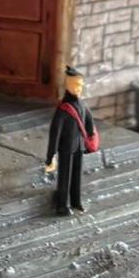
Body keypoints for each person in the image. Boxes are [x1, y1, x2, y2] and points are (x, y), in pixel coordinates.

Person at [44, 67, 99, 217]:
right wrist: (51, 156)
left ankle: (76, 201)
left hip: (79, 146)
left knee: (77, 176)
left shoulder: (83, 105)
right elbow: (55, 134)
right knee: (65, 177)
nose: (79, 88)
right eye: (75, 84)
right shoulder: (63, 109)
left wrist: (91, 139)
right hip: (66, 148)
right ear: (67, 85)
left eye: (81, 85)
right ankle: (63, 205)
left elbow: (89, 124)